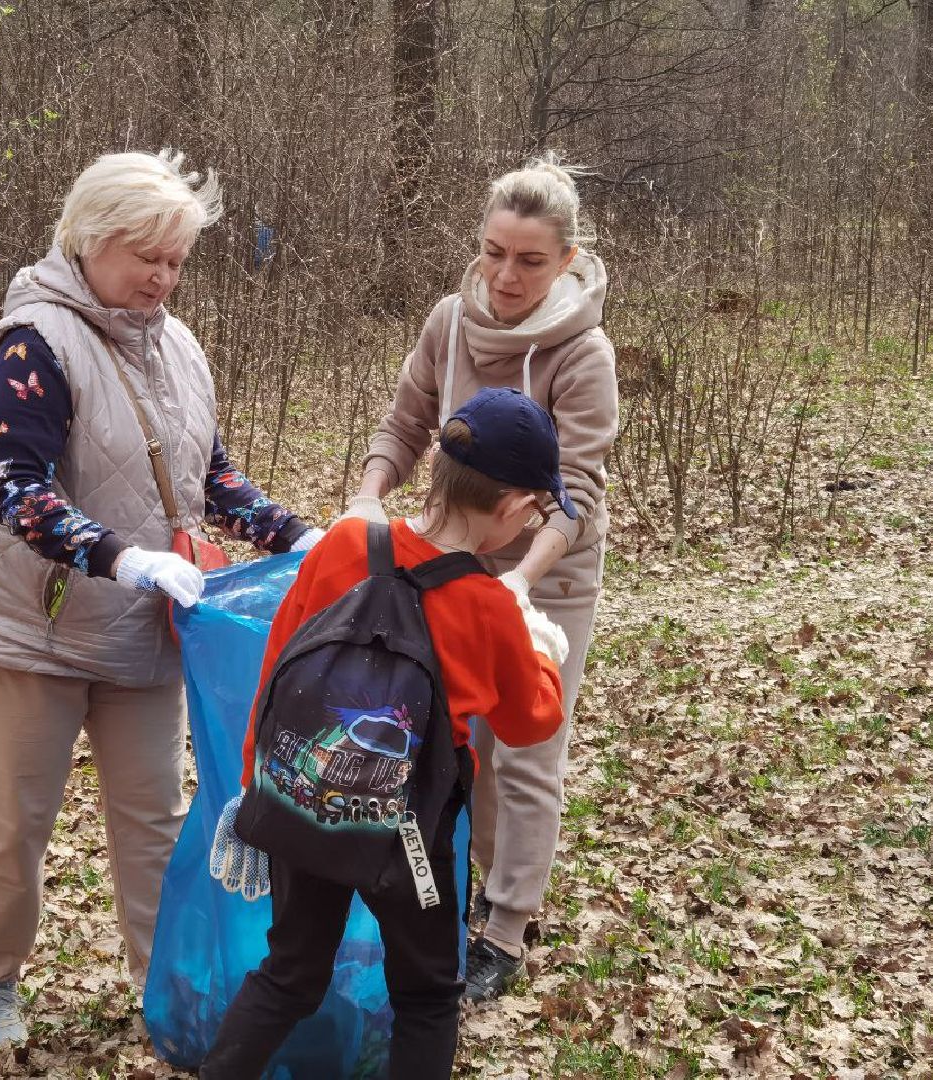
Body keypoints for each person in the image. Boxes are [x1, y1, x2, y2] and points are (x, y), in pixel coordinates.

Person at [0, 149, 323, 1055]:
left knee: (155, 819)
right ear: (90, 239)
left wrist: (294, 535)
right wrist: (121, 558)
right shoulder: (35, 342)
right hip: (30, 629)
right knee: (16, 821)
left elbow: (209, 477)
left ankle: (168, 984)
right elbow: (11, 485)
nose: (162, 275)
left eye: (176, 260)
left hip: (144, 634)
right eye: (146, 255)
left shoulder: (178, 345)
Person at [201, 388, 570, 1079]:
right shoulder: (490, 607)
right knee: (427, 993)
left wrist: (257, 789)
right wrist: (542, 647)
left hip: (305, 805)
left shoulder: (345, 542)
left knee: (290, 973)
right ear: (518, 507)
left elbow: (279, 669)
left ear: (435, 468)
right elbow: (530, 722)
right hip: (412, 841)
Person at [349, 153, 618, 1000]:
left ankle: (506, 929)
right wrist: (365, 501)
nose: (505, 274)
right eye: (494, 251)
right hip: (447, 563)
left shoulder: (583, 353)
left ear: (567, 260)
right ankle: (454, 890)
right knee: (449, 742)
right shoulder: (448, 322)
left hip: (548, 574)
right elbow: (404, 425)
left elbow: (574, 495)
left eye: (530, 259)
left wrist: (520, 583)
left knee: (526, 745)